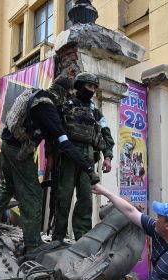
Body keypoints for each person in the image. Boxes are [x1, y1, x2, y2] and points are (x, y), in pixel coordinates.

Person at [0, 67, 100, 253]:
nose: (69, 99)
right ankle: (33, 244)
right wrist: (88, 168)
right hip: (20, 150)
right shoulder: (48, 108)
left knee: (8, 185)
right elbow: (64, 142)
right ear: (63, 92)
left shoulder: (37, 94)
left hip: (6, 144)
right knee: (33, 194)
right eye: (69, 94)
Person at [52, 72, 114, 242]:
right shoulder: (66, 106)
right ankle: (58, 237)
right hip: (68, 155)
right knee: (63, 198)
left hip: (88, 155)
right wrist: (50, 156)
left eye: (94, 87)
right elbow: (54, 131)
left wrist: (107, 156)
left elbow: (107, 134)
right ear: (80, 86)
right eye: (89, 86)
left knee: (85, 199)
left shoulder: (96, 112)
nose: (92, 90)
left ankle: (82, 237)